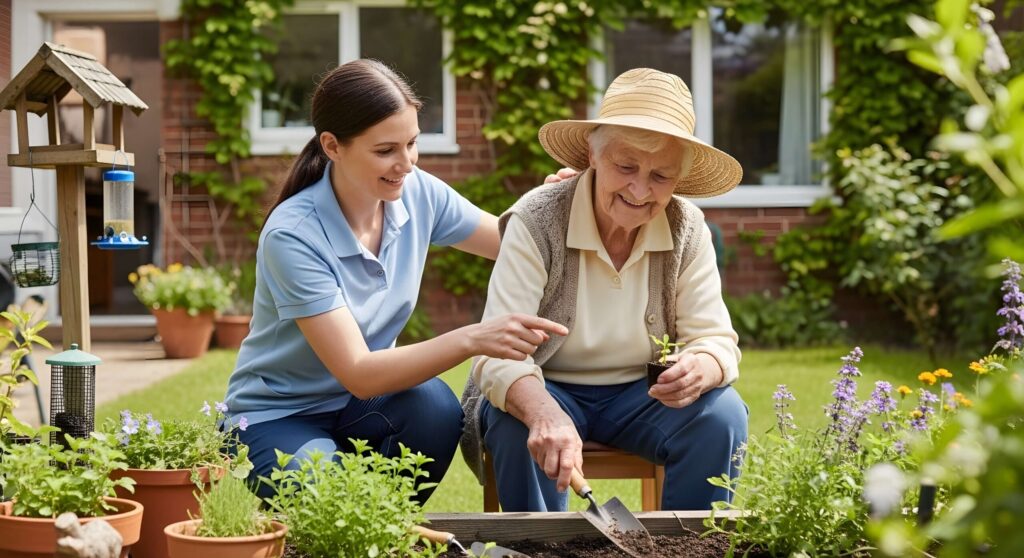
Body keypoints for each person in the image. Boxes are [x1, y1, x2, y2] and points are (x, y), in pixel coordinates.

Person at [222, 59, 567, 502]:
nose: (405, 163)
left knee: (434, 407)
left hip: (361, 411)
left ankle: (385, 530)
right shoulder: (294, 234)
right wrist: (474, 338)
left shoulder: (416, 191)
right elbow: (360, 373)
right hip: (277, 417)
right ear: (332, 145)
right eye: (385, 151)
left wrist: (560, 200)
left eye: (412, 144)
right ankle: (372, 530)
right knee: (337, 507)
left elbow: (515, 243)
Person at [461, 68, 749, 511]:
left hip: (642, 397)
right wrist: (542, 410)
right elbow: (498, 351)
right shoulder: (536, 221)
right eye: (626, 166)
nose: (639, 189)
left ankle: (690, 545)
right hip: (549, 384)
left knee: (722, 416)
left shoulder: (688, 228)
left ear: (678, 179)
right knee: (516, 421)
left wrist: (703, 366)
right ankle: (538, 549)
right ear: (593, 156)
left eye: (660, 176)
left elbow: (716, 339)